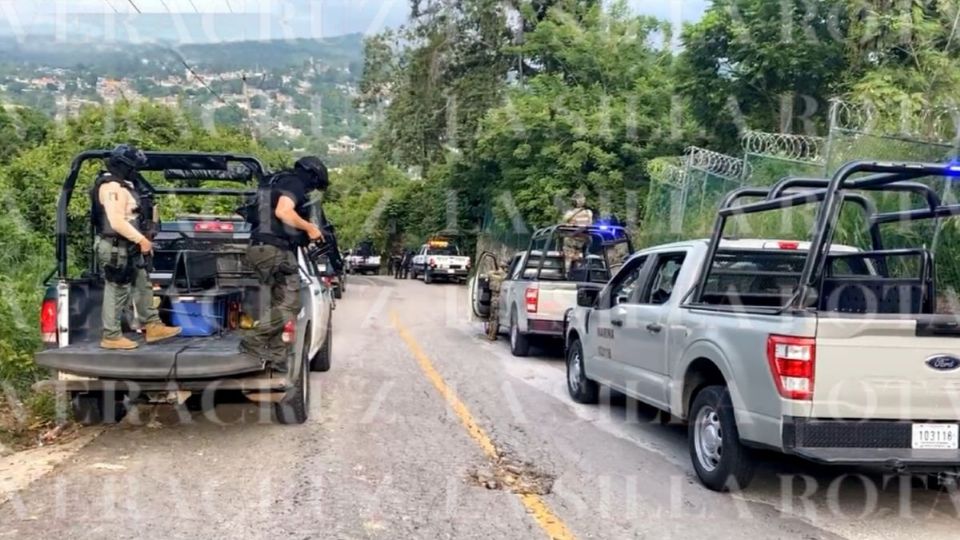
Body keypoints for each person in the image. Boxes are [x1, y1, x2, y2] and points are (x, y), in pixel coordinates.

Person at [240, 156, 329, 371]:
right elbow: (284, 212)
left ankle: (277, 357)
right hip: (273, 250)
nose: (311, 189)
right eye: (314, 185)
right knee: (291, 304)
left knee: (276, 304)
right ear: (311, 175)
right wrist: (309, 228)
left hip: (258, 248)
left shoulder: (275, 183)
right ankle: (253, 340)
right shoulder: (294, 183)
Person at [92, 144, 182, 350]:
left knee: (142, 282)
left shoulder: (123, 186)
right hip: (116, 246)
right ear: (124, 166)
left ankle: (152, 325)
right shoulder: (111, 187)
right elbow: (116, 222)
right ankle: (111, 335)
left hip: (128, 245)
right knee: (118, 288)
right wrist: (141, 240)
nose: (136, 172)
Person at [562, 190, 593, 276]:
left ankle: (566, 273)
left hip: (572, 238)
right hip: (583, 239)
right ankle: (579, 271)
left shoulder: (570, 213)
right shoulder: (588, 213)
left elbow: (565, 223)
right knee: (579, 255)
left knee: (568, 256)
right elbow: (589, 224)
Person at [485, 261, 509, 341]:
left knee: (492, 318)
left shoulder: (493, 275)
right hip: (501, 299)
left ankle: (490, 334)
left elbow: (489, 273)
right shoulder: (505, 277)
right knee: (496, 318)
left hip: (493, 298)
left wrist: (497, 271)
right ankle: (492, 335)